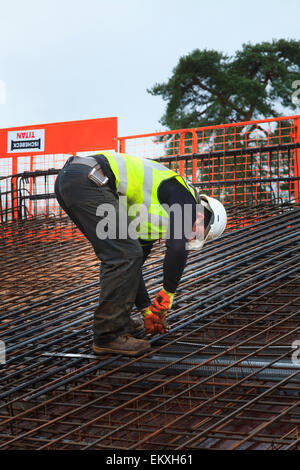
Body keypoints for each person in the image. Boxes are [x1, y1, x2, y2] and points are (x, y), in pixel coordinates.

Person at [54, 151, 227, 357]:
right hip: (89, 178)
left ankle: (119, 322)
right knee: (123, 254)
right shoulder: (187, 198)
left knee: (122, 255)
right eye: (199, 231)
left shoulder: (151, 224)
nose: (192, 236)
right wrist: (167, 296)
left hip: (76, 178)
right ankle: (108, 335)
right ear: (203, 215)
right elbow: (176, 249)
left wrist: (147, 311)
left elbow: (132, 269)